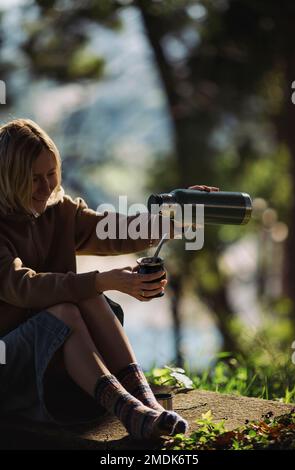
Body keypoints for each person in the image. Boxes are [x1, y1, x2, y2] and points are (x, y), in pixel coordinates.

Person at [0, 118, 218, 440]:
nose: (46, 188)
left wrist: (172, 217)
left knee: (83, 298)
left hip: (55, 358)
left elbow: (112, 230)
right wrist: (103, 280)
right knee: (66, 309)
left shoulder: (58, 210)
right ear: (9, 178)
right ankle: (129, 411)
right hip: (11, 366)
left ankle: (145, 405)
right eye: (34, 179)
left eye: (51, 175)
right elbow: (23, 287)